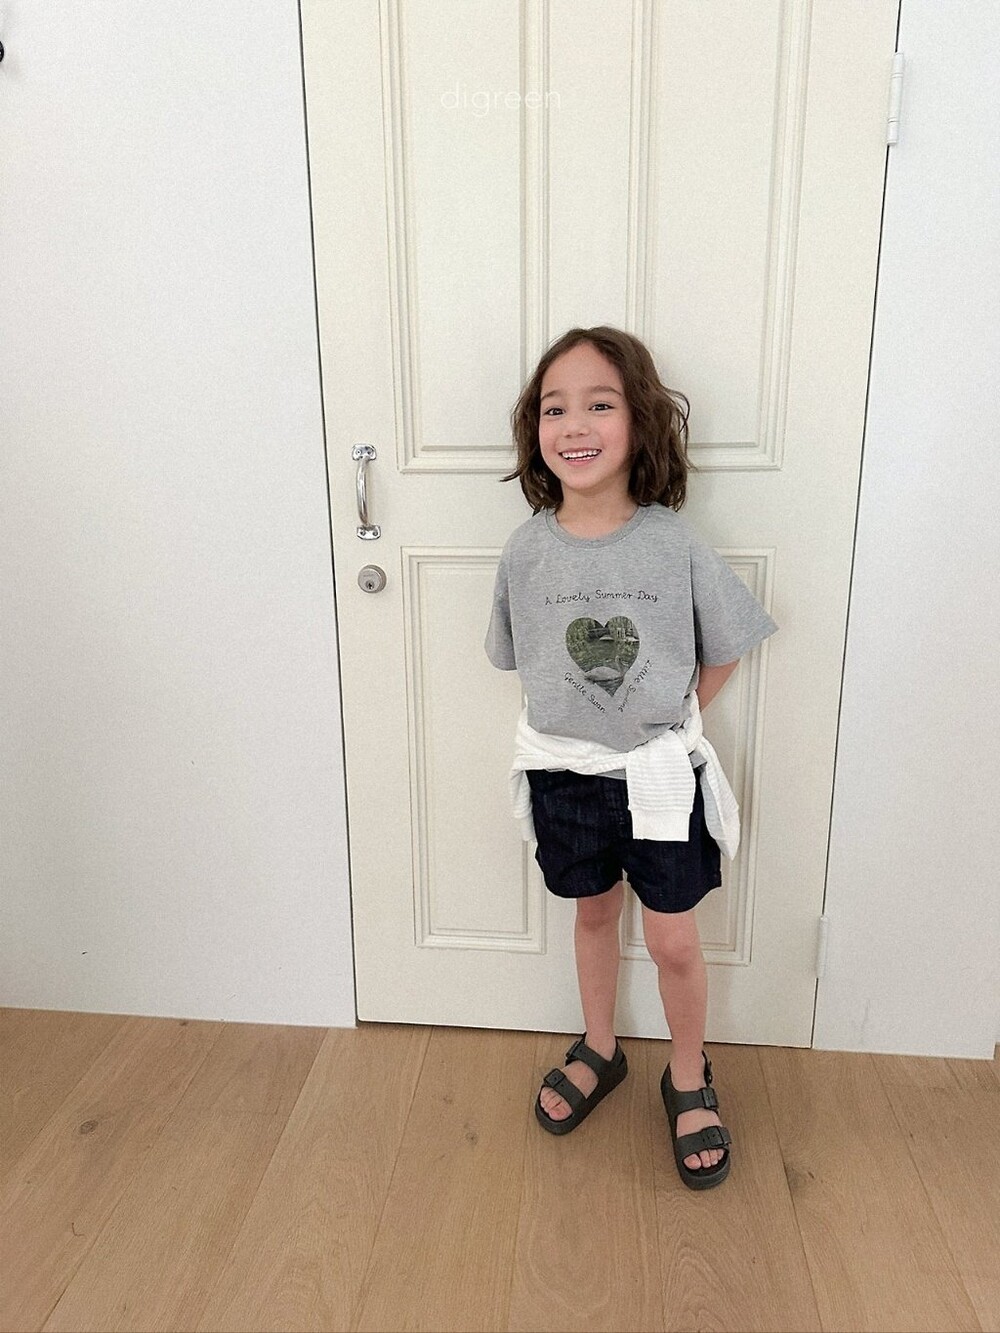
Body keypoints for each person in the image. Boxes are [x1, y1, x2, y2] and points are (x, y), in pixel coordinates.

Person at [485, 326, 778, 1190]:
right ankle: (601, 1045)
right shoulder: (525, 549)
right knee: (592, 915)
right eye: (555, 408)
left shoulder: (670, 542)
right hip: (565, 779)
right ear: (535, 430)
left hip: (657, 778)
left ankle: (687, 1072)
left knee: (675, 939)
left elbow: (727, 642)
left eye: (599, 404)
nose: (574, 424)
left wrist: (675, 720)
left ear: (639, 422)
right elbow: (515, 656)